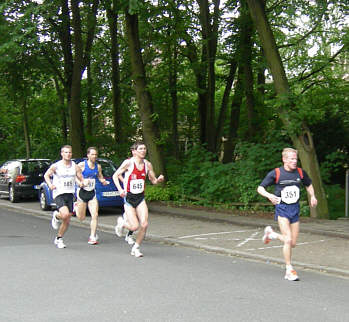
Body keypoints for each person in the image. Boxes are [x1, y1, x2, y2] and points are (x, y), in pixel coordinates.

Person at [257, 147, 318, 281]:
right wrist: (269, 196)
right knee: (288, 239)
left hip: (295, 209)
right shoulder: (277, 173)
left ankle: (271, 234)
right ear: (284, 159)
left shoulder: (300, 173)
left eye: (296, 158)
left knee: (293, 243)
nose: (294, 161)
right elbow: (260, 188)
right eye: (291, 159)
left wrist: (312, 196)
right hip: (282, 209)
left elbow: (308, 184)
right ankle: (289, 270)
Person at [112, 142, 164, 257]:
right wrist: (120, 190)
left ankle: (136, 247)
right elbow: (115, 176)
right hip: (129, 198)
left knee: (144, 224)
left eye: (144, 148)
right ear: (134, 151)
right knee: (134, 226)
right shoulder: (128, 163)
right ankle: (122, 223)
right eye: (140, 149)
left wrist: (158, 180)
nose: (143, 151)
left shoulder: (148, 165)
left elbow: (153, 180)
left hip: (140, 198)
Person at [44, 145, 84, 249]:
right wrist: (50, 184)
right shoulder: (56, 166)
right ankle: (57, 216)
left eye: (70, 152)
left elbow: (79, 177)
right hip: (59, 193)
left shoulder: (75, 166)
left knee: (67, 219)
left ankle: (59, 238)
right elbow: (46, 175)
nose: (68, 154)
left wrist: (81, 183)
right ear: (62, 154)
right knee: (65, 214)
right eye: (66, 152)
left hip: (70, 193)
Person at [75, 147, 110, 245]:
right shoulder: (81, 165)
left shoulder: (98, 166)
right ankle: (76, 207)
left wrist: (103, 181)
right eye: (92, 154)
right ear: (88, 155)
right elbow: (74, 176)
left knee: (95, 215)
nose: (94, 156)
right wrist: (80, 183)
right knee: (81, 218)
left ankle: (92, 236)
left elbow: (100, 176)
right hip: (82, 193)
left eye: (96, 155)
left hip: (92, 193)